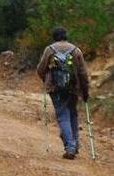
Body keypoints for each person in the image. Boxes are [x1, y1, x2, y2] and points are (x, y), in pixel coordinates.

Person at [36, 26, 90, 160]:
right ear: (66, 36)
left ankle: (70, 147)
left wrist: (46, 79)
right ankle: (75, 144)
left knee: (62, 115)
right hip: (73, 88)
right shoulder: (76, 50)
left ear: (54, 37)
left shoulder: (50, 49)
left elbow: (40, 69)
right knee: (73, 114)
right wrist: (85, 91)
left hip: (56, 89)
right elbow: (83, 73)